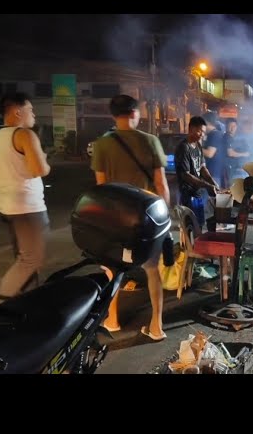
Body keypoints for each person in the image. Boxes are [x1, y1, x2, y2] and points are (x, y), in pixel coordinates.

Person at [91, 94, 170, 341]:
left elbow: (101, 187)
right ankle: (156, 326)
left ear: (113, 115)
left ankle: (112, 320)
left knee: (113, 271)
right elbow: (161, 185)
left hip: (115, 218)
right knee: (152, 270)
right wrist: (165, 220)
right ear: (136, 113)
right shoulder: (151, 141)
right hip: (145, 218)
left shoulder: (102, 144)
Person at [0, 92, 51, 303]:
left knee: (24, 257)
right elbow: (40, 170)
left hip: (7, 206)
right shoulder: (25, 135)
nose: (33, 113)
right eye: (30, 109)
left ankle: (27, 302)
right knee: (30, 260)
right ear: (17, 112)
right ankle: (1, 304)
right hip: (27, 208)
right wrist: (43, 157)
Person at [174, 116, 219, 225]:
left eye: (204, 132)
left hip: (197, 194)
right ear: (191, 129)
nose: (202, 135)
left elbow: (202, 168)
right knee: (190, 227)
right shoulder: (184, 148)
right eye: (200, 132)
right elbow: (186, 175)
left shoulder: (198, 145)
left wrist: (212, 183)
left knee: (199, 225)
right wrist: (207, 186)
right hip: (187, 195)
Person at [202, 113, 228, 188]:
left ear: (206, 122)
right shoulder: (211, 134)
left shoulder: (215, 135)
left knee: (211, 197)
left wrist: (194, 147)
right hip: (210, 173)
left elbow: (210, 153)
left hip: (213, 173)